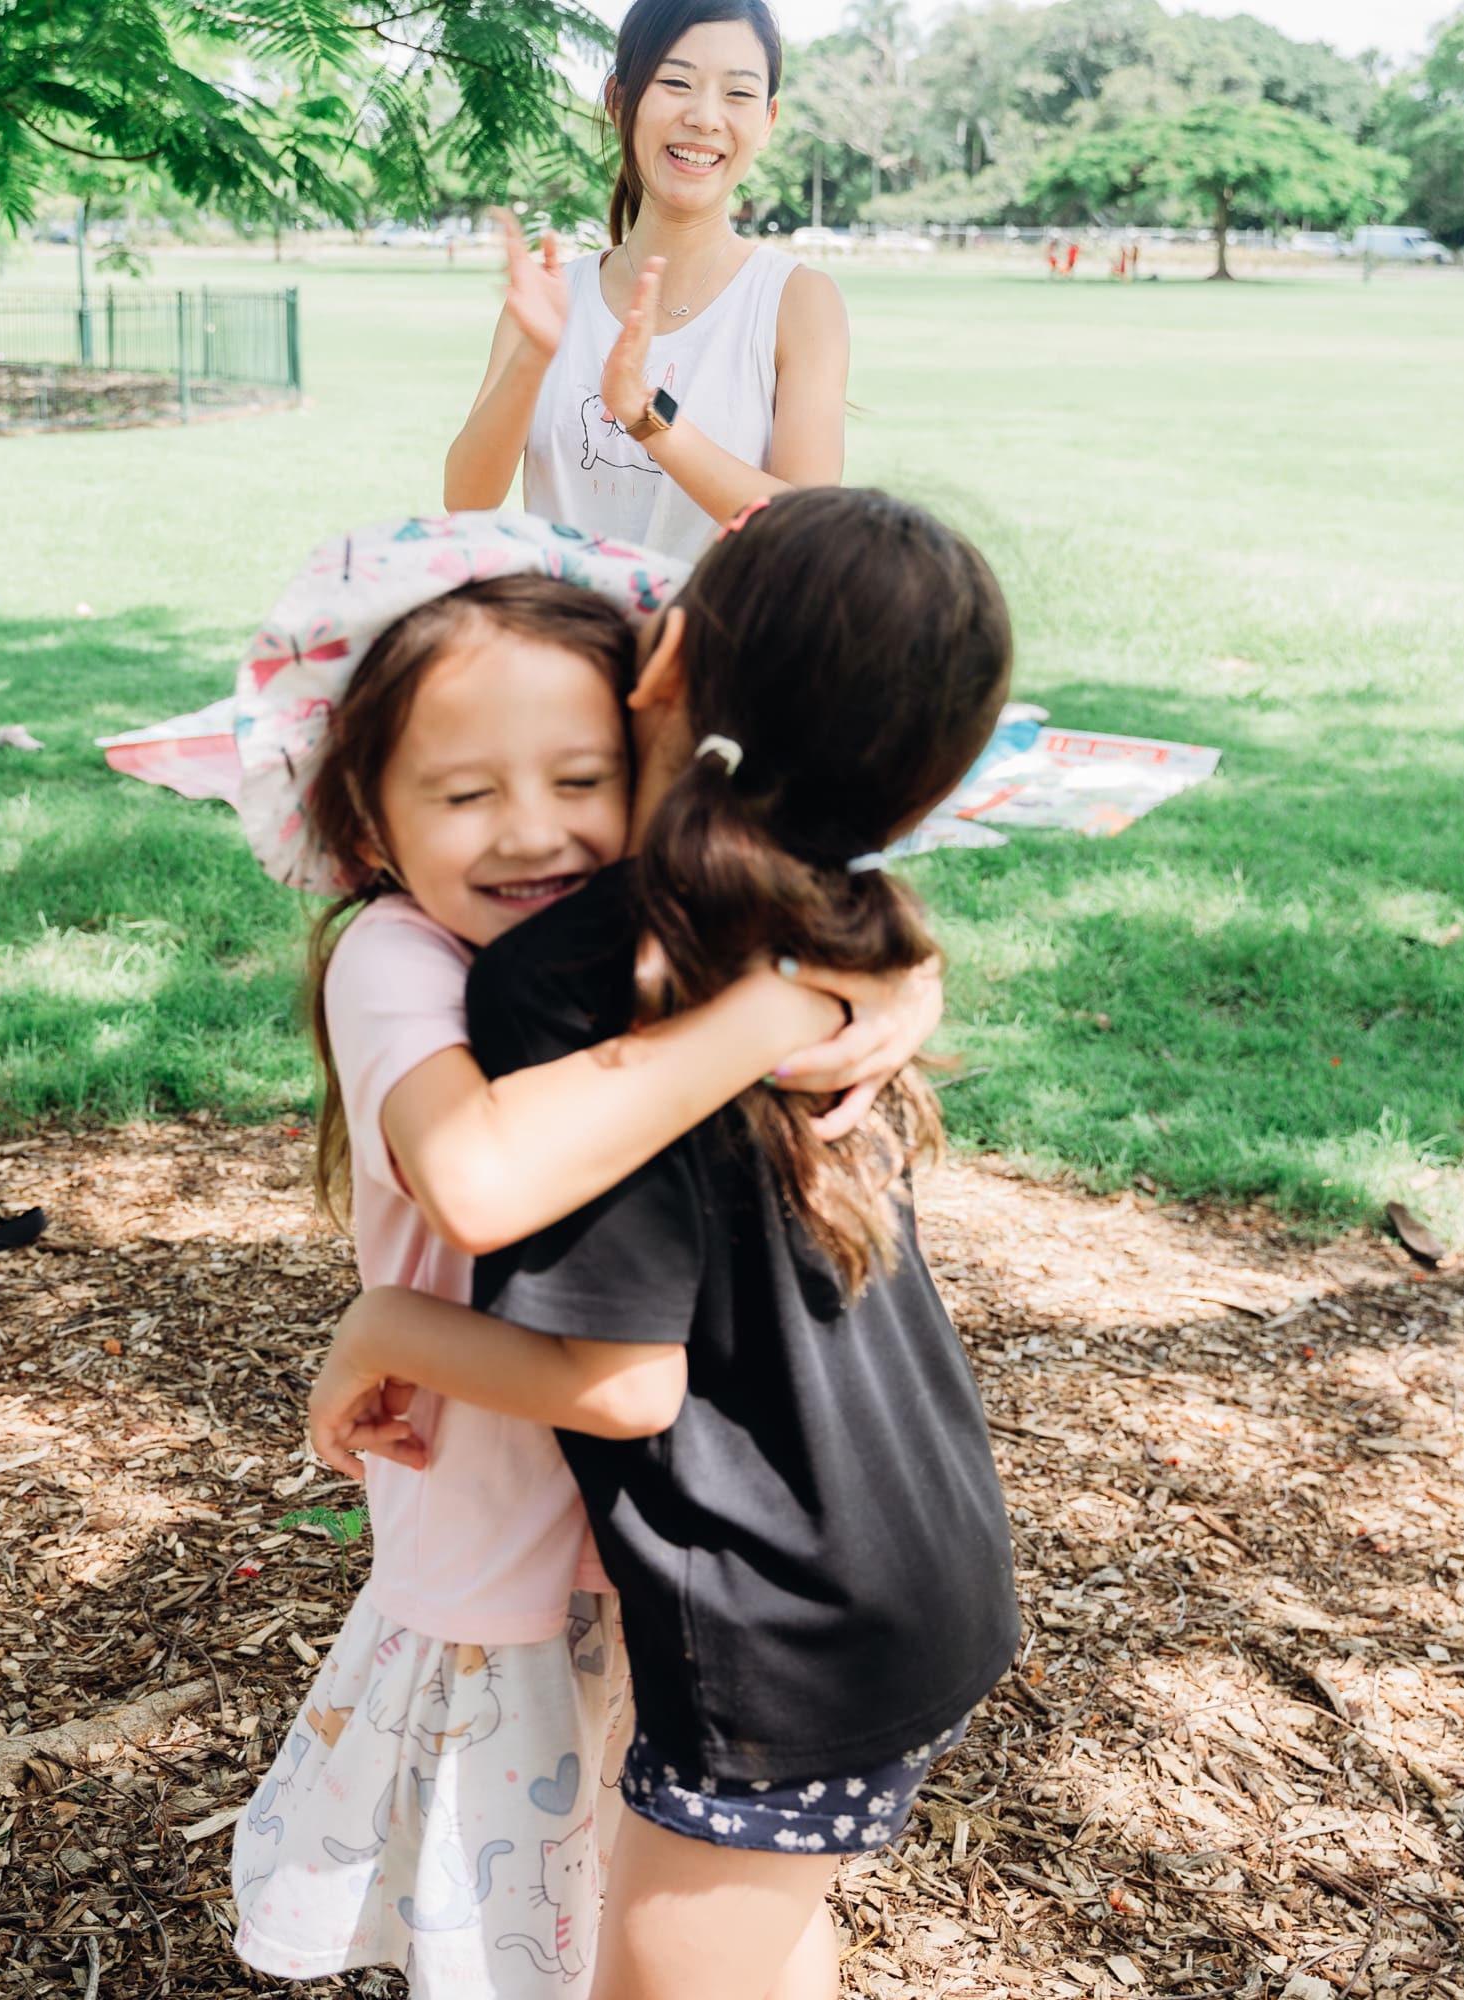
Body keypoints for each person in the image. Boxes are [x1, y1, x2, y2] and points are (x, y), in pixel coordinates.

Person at [309, 489, 1022, 2000]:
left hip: (780, 1611)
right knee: (764, 1935)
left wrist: (380, 1330)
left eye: (575, 773)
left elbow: (612, 1365)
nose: (533, 827)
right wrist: (841, 992)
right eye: (469, 792)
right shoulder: (806, 918)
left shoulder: (582, 980)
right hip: (899, 1558)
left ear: (662, 662)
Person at [443, 0, 844, 563]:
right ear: (618, 100)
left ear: (768, 120)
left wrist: (648, 417)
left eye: (738, 93)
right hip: (574, 641)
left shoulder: (798, 302)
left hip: (716, 646)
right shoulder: (552, 298)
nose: (706, 117)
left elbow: (812, 532)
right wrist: (532, 361)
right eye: (676, 82)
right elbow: (466, 505)